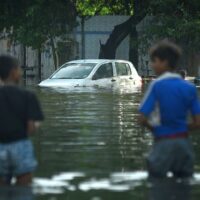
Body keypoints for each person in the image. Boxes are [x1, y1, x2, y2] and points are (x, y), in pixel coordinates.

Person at [139, 41, 200, 178]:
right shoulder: (189, 88)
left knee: (157, 186)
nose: (152, 65)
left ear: (164, 62)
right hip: (184, 145)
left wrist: (156, 130)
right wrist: (181, 129)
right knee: (184, 187)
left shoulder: (156, 85)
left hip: (163, 143)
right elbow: (198, 122)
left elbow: (142, 118)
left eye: (154, 61)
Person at [0, 55, 44, 185]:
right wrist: (36, 125)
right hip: (20, 145)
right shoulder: (28, 96)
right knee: (24, 188)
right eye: (19, 69)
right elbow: (31, 128)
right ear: (14, 72)